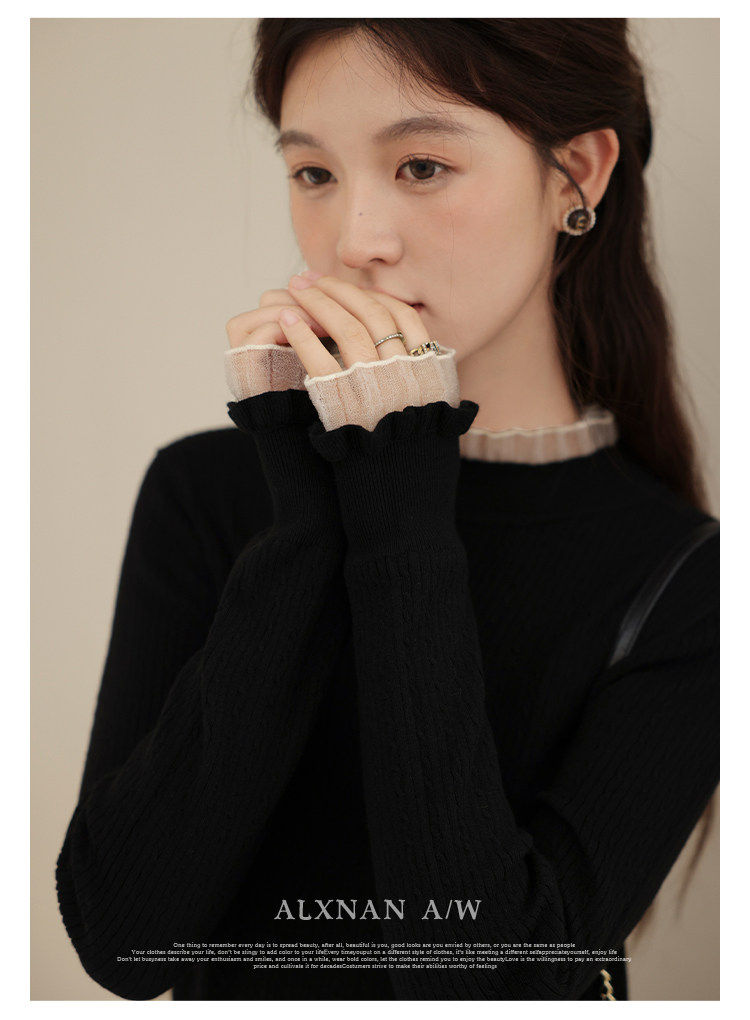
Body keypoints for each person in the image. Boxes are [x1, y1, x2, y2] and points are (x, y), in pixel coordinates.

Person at [55, 19, 719, 1001]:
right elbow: (123, 936)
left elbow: (483, 982)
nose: (354, 241)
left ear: (575, 174)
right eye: (314, 173)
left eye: (421, 166)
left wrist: (398, 507)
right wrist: (311, 517)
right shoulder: (209, 490)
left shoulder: (688, 576)